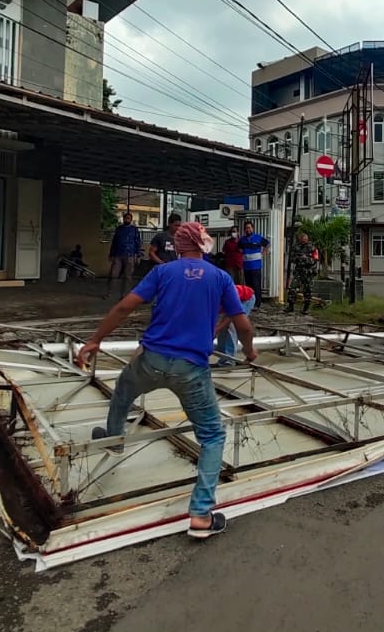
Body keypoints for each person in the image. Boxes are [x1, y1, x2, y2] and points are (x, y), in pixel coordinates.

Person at [77, 222, 255, 538]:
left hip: (151, 359)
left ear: (177, 245)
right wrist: (250, 351)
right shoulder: (220, 278)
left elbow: (123, 308)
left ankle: (115, 439)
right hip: (192, 369)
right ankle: (201, 514)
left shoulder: (162, 273)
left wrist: (95, 340)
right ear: (203, 245)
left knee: (123, 389)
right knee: (212, 436)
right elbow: (243, 325)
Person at [213, 282, 256, 366]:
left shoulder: (223, 295)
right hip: (234, 299)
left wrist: (217, 329)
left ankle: (228, 360)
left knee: (231, 326)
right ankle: (224, 356)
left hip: (246, 299)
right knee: (222, 329)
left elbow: (232, 315)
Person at [107, 211, 142, 295]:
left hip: (130, 254)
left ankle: (126, 294)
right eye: (125, 218)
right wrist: (111, 254)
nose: (126, 219)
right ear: (123, 219)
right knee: (114, 274)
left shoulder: (134, 229)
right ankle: (110, 292)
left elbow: (138, 242)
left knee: (128, 276)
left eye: (128, 218)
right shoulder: (119, 229)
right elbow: (114, 242)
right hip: (118, 255)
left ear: (131, 220)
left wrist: (138, 255)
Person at [286, 231, 319, 315]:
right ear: (300, 239)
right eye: (302, 239)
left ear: (307, 239)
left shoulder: (312, 247)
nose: (303, 241)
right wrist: (298, 258)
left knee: (307, 291)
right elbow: (292, 258)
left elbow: (315, 259)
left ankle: (305, 309)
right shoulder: (296, 247)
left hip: (308, 272)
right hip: (298, 272)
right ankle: (290, 306)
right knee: (292, 288)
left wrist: (305, 259)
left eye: (305, 239)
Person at [238, 220, 270, 300]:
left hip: (256, 267)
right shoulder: (242, 239)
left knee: (256, 285)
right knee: (248, 286)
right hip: (246, 267)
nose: (248, 230)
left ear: (252, 228)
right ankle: (250, 302)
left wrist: (263, 253)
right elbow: (239, 248)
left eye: (249, 228)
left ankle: (257, 303)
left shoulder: (258, 237)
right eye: (246, 228)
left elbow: (268, 244)